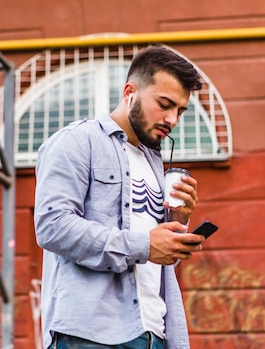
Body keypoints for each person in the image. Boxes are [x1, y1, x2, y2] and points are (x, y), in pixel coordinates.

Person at [34, 45, 205, 349]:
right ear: (130, 92)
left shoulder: (153, 162)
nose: (172, 119)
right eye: (164, 104)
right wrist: (145, 244)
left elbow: (151, 259)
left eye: (179, 110)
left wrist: (178, 223)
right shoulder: (76, 142)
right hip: (91, 335)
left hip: (156, 332)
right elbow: (52, 226)